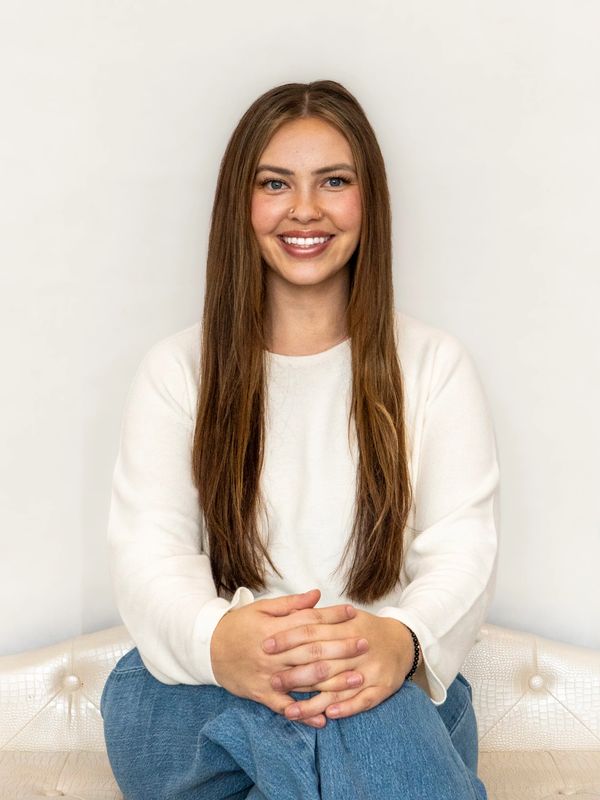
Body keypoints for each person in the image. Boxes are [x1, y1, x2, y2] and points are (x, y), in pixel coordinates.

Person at [100, 79, 499, 799]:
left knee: (374, 716)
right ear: (241, 204)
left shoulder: (434, 366)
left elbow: (462, 549)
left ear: (368, 201)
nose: (305, 208)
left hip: (385, 689)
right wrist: (223, 642)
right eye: (275, 183)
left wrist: (399, 640)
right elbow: (149, 553)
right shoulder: (177, 371)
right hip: (208, 692)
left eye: (334, 181)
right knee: (148, 700)